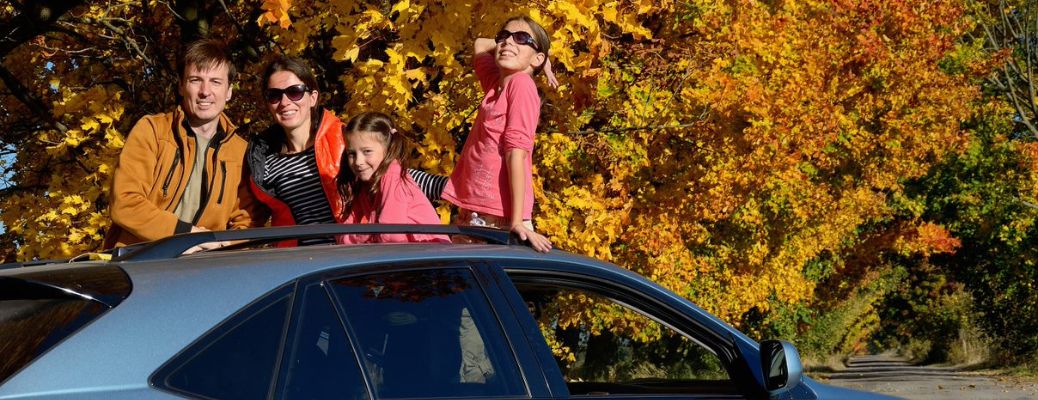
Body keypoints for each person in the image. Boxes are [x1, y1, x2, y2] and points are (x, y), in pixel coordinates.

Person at [244, 56, 446, 245]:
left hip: (346, 258)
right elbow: (251, 217)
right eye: (274, 95)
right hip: (298, 267)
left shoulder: (342, 140)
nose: (285, 102)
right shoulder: (263, 161)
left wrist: (454, 193)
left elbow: (391, 174)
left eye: (294, 91)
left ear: (313, 97)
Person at [104, 38, 250, 251]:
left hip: (207, 267)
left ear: (229, 91)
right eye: (195, 80)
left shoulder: (241, 152)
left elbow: (245, 222)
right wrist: (185, 235)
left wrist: (223, 246)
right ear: (181, 86)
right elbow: (125, 203)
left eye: (216, 82)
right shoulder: (152, 131)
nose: (205, 91)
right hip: (141, 259)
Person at [441, 15, 557, 253]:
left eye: (522, 38)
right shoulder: (497, 83)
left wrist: (516, 222)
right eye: (503, 36)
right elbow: (480, 44)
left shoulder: (521, 85)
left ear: (537, 58)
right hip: (477, 208)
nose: (507, 42)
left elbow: (517, 152)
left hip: (499, 216)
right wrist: (531, 53)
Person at [335, 112, 448, 244]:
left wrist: (361, 236)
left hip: (432, 258)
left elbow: (391, 235)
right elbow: (342, 236)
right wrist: (363, 236)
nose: (358, 161)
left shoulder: (393, 175)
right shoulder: (364, 185)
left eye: (367, 151)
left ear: (388, 150)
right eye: (352, 154)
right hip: (407, 257)